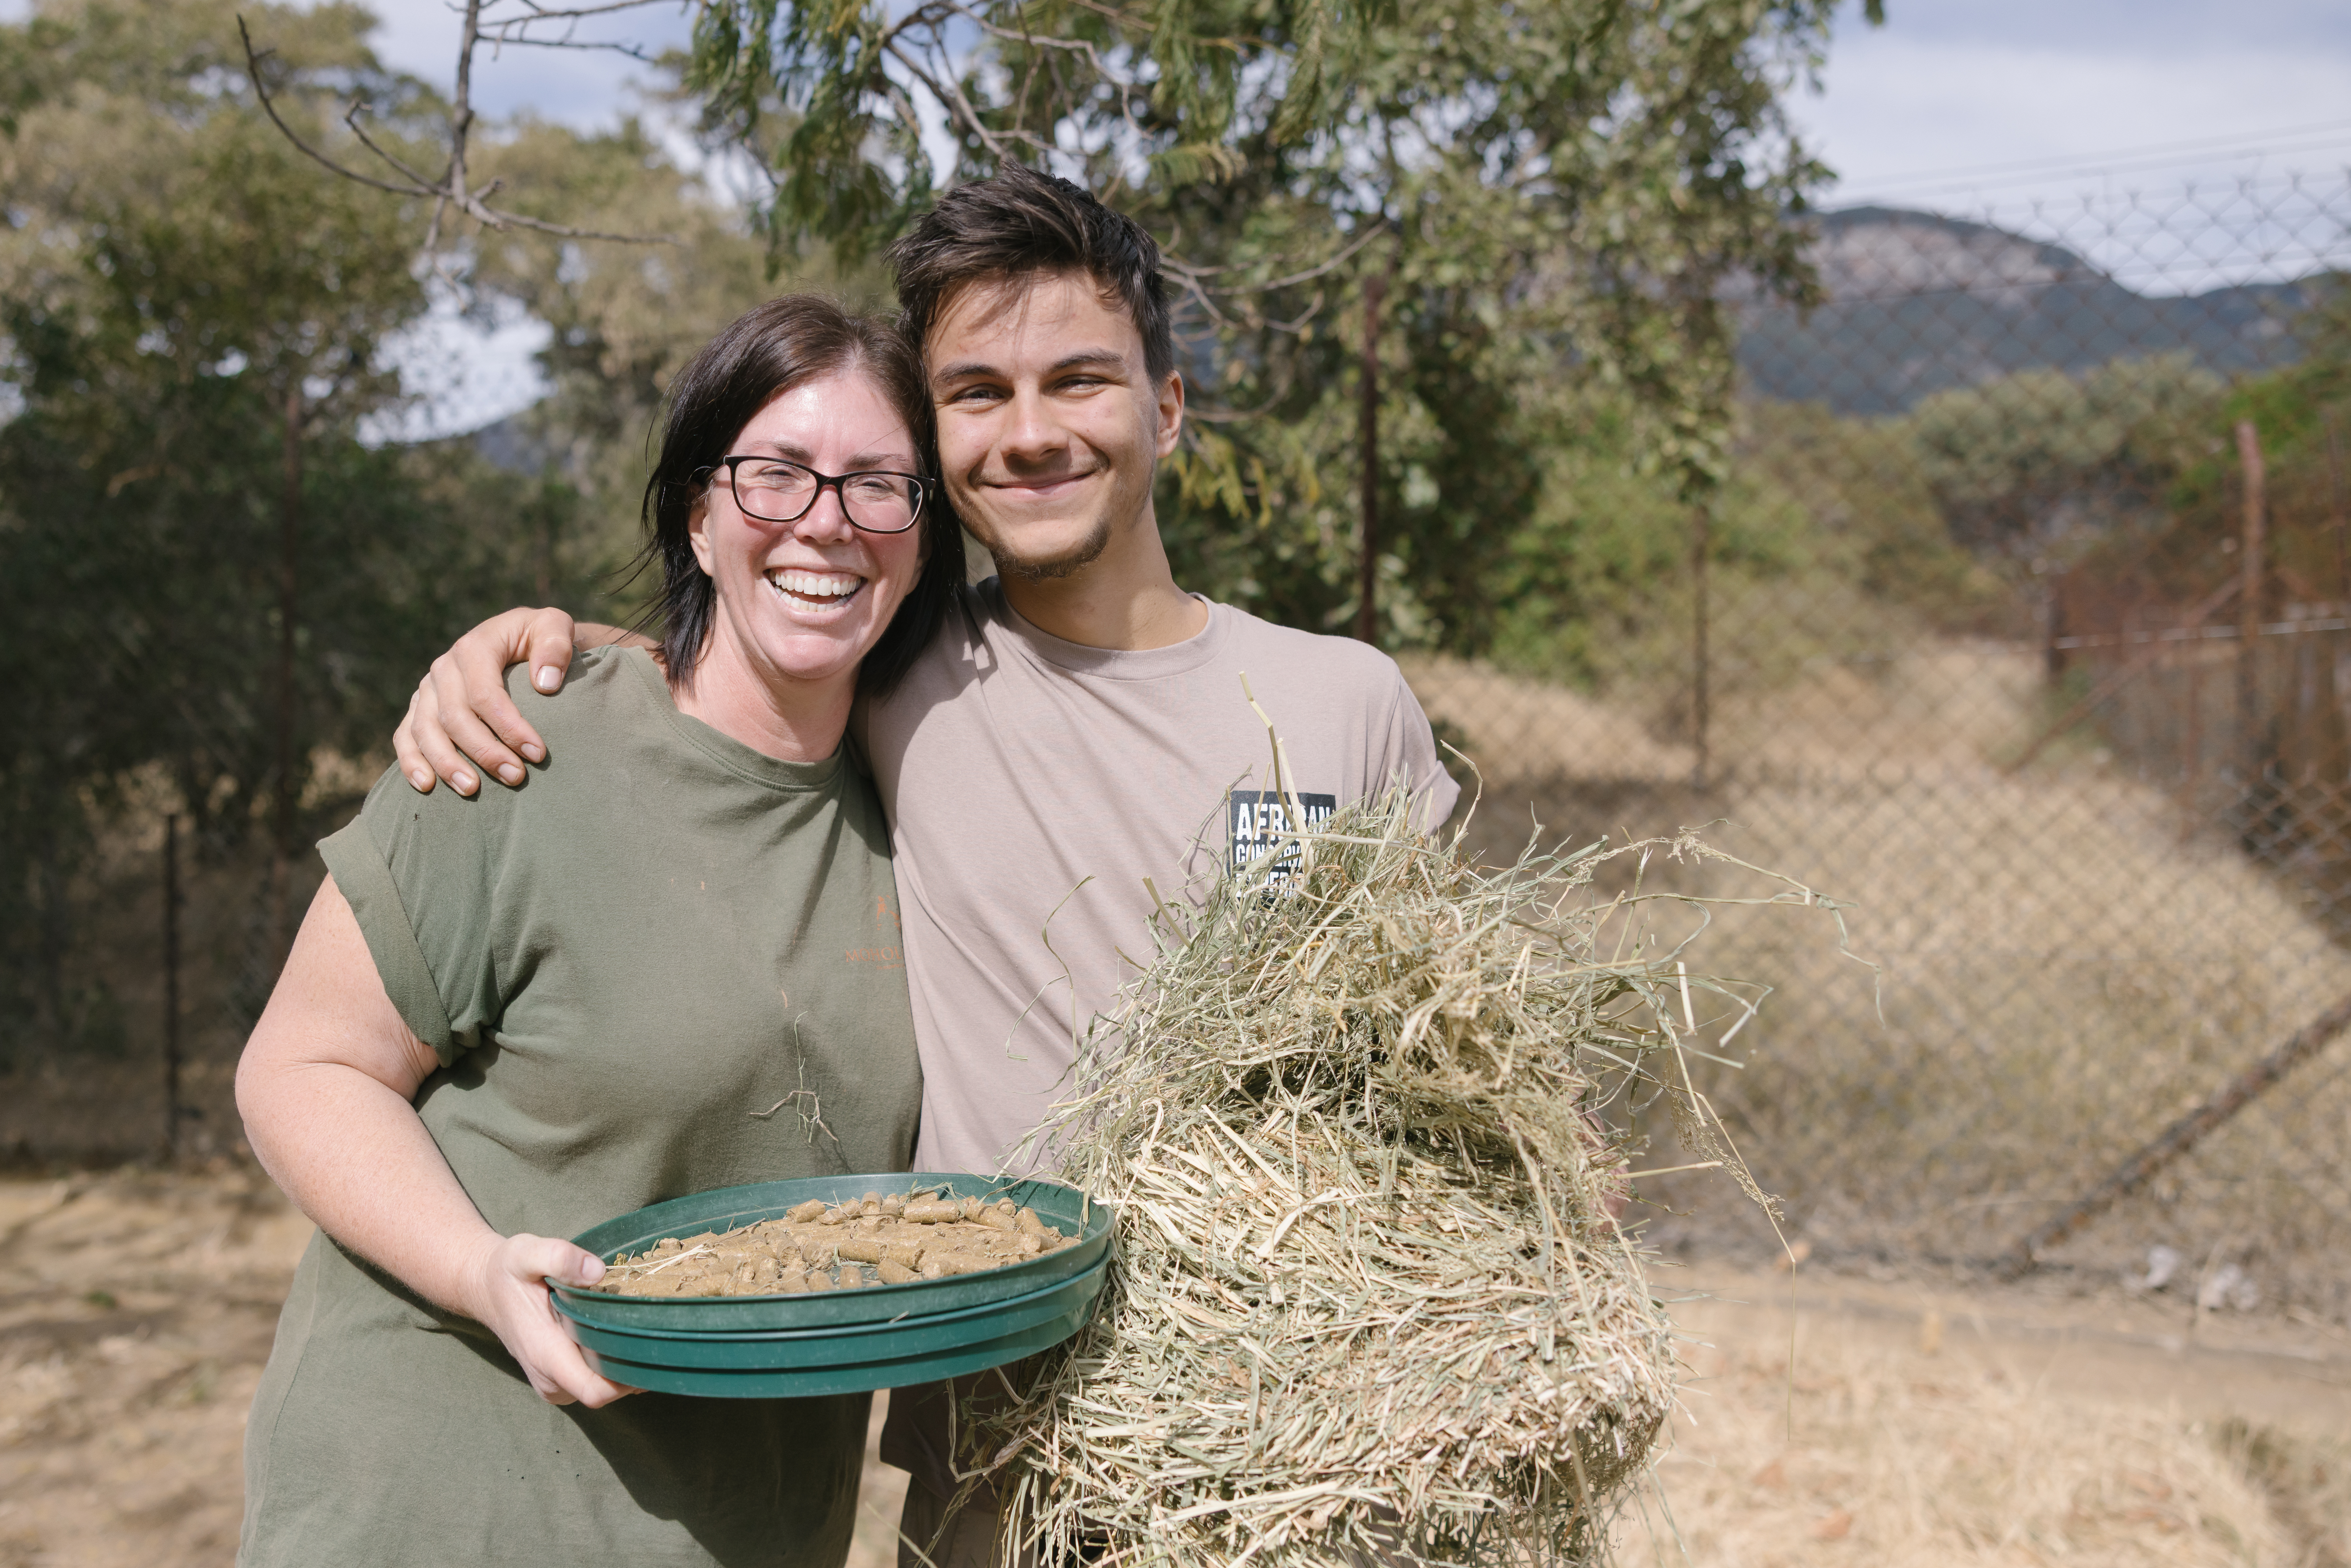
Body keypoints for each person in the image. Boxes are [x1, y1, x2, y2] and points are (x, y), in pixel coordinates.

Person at [388, 166, 1461, 1567]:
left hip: (1314, 1458)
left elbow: (1458, 1045)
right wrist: (532, 644)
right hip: (1005, 1460)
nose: (1030, 434)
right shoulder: (900, 671)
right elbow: (727, 668)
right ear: (938, 437)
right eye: (976, 393)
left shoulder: (1341, 701)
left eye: (1081, 380)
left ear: (1169, 407)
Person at [234, 296, 962, 1568]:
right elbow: (302, 1067)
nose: (826, 521)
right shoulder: (521, 743)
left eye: (877, 486)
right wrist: (479, 1271)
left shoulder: (927, 805)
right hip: (437, 1512)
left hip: (743, 1533)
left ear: (920, 530)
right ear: (697, 511)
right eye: (773, 474)